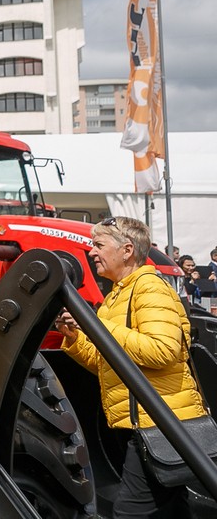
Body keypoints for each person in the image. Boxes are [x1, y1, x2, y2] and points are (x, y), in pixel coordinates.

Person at [56, 216, 207, 516]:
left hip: (160, 423)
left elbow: (162, 350)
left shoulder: (149, 288)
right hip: (145, 423)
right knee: (173, 510)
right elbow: (109, 363)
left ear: (126, 250)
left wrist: (96, 326)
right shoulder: (117, 295)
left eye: (99, 245)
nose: (91, 252)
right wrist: (75, 337)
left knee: (129, 513)